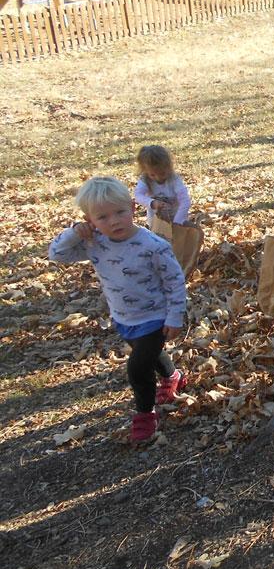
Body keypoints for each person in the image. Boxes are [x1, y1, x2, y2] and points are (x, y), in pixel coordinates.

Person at [48, 176, 188, 444]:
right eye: (102, 217)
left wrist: (174, 316)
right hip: (124, 317)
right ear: (89, 220)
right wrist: (74, 233)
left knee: (137, 367)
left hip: (156, 316)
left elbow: (175, 281)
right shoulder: (95, 242)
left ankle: (145, 415)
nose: (114, 221)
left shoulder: (153, 245)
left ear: (133, 209)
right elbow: (57, 254)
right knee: (148, 355)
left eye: (120, 212)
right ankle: (173, 377)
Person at [134, 145, 191, 227]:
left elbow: (185, 201)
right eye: (152, 175)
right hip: (156, 223)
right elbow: (138, 195)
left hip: (177, 219)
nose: (158, 178)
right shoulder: (145, 180)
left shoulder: (174, 179)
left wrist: (177, 221)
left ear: (168, 167)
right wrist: (152, 203)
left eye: (162, 173)